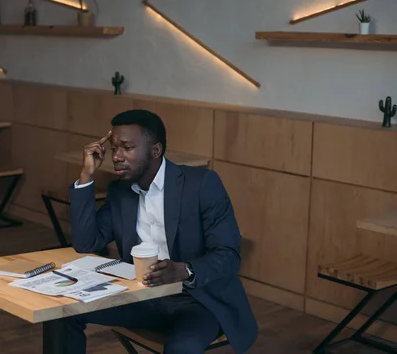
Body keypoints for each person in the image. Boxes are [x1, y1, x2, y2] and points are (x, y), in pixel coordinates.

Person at [66, 109, 258, 354]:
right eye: (114, 148)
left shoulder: (202, 184)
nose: (116, 157)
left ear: (155, 151)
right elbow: (86, 242)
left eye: (127, 147)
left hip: (197, 301)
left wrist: (184, 270)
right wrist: (85, 176)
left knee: (180, 349)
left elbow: (229, 255)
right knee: (65, 312)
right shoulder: (120, 192)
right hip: (141, 297)